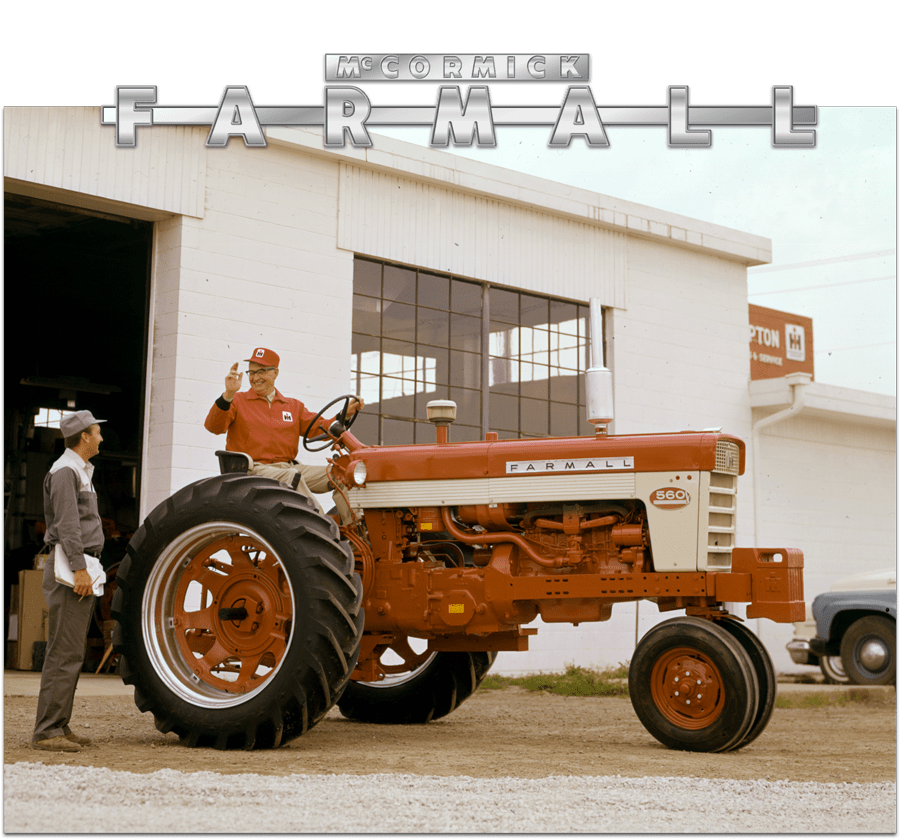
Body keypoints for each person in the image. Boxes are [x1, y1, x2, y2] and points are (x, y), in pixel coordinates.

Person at [204, 347, 364, 521]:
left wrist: (345, 415)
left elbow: (321, 428)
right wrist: (228, 395)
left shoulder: (292, 406)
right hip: (252, 470)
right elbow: (214, 427)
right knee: (292, 477)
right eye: (252, 372)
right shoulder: (237, 401)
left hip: (289, 467)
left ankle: (357, 531)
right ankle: (323, 528)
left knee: (343, 473)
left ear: (275, 373)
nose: (255, 377)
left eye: (262, 371)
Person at [32, 410, 106, 752]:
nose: (101, 438)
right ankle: (47, 730)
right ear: (84, 437)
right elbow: (67, 524)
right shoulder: (66, 470)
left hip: (80, 564)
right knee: (63, 650)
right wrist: (78, 568)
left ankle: (59, 725)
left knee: (71, 650)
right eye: (97, 432)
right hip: (72, 567)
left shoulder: (77, 469)